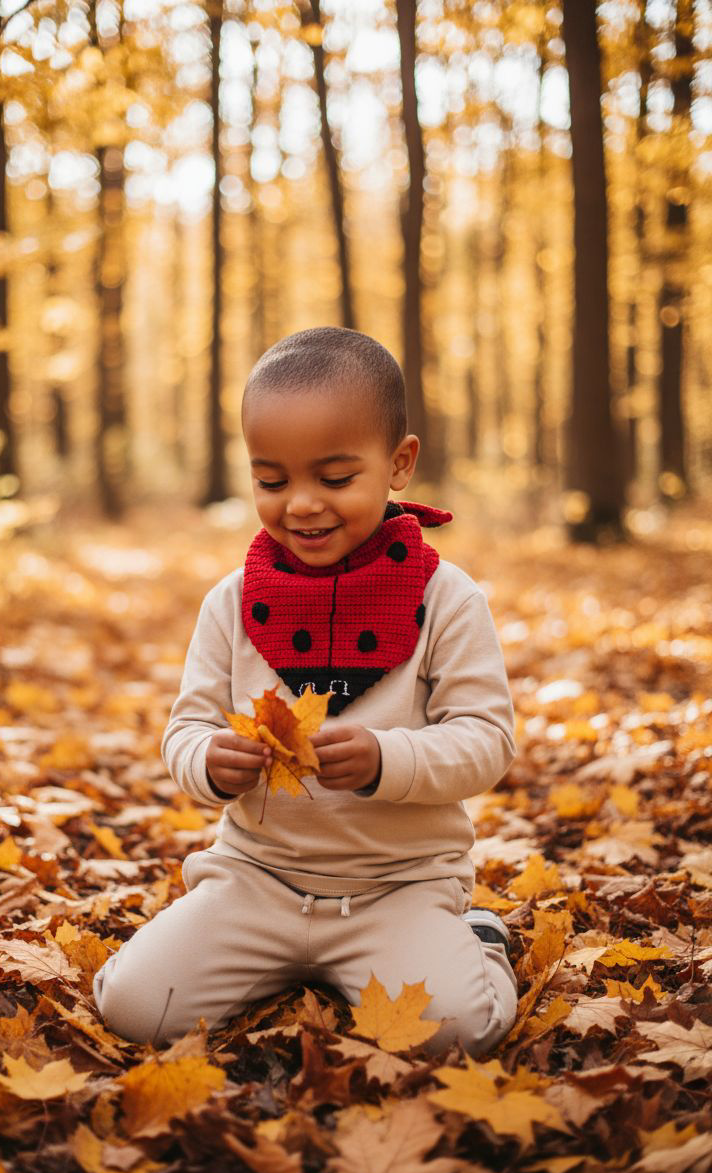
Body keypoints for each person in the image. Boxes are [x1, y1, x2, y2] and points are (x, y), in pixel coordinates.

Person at [93, 327, 518, 1057]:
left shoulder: (447, 599)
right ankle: (281, 961)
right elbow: (185, 727)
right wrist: (207, 762)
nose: (301, 505)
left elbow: (488, 741)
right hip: (255, 880)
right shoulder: (233, 602)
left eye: (334, 477)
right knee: (137, 1007)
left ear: (399, 464)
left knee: (456, 1031)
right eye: (272, 480)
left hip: (399, 887)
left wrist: (391, 759)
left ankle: (477, 938)